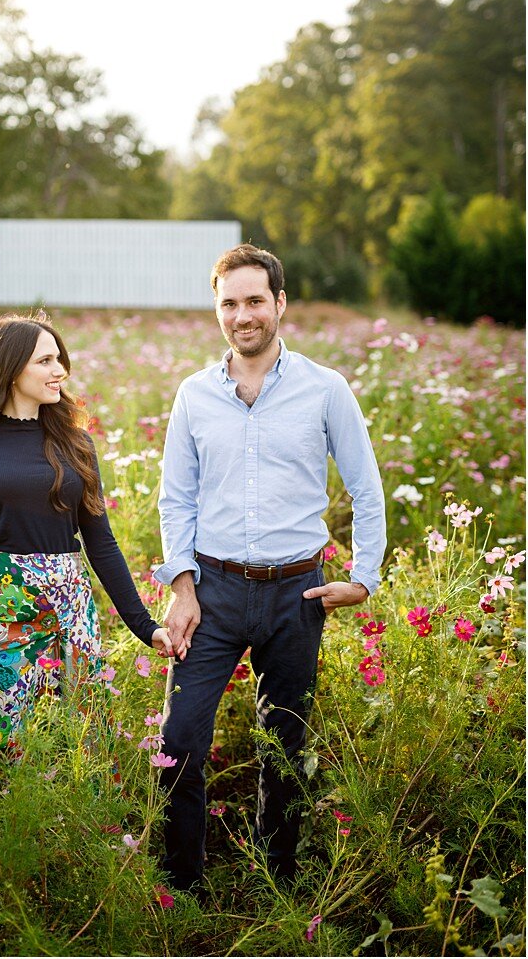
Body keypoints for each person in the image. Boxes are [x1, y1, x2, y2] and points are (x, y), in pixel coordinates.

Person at [154, 243, 385, 893]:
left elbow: (366, 488)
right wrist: (182, 585)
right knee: (178, 744)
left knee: (285, 751)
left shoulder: (325, 388)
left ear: (279, 303)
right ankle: (182, 888)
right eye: (229, 303)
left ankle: (277, 882)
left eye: (255, 300)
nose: (243, 314)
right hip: (215, 591)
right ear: (217, 309)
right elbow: (175, 497)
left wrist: (364, 575)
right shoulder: (195, 396)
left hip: (297, 593)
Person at [0, 313, 172, 750]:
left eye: (59, 360)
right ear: (10, 369)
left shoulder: (75, 443)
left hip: (70, 615)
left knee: (77, 743)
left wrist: (145, 627)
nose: (60, 372)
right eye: (46, 361)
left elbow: (100, 542)